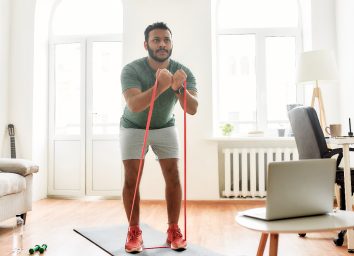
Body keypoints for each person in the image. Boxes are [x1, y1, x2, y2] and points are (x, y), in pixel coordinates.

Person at [119, 22, 198, 253]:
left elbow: (192, 109)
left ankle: (173, 229)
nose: (162, 44)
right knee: (132, 179)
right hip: (133, 127)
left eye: (166, 39)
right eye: (156, 40)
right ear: (146, 44)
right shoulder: (131, 70)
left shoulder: (183, 71)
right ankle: (134, 231)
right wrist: (161, 86)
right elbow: (134, 105)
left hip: (165, 125)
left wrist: (179, 88)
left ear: (171, 44)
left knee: (173, 175)